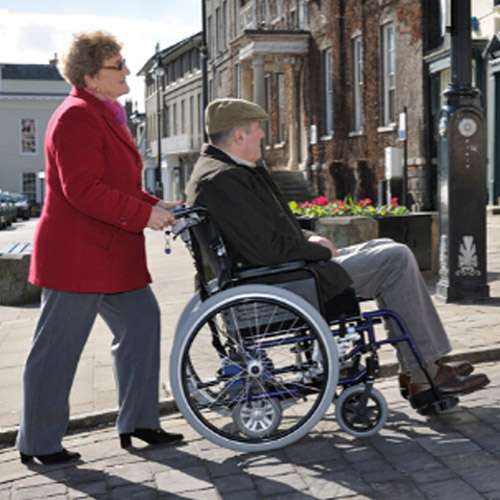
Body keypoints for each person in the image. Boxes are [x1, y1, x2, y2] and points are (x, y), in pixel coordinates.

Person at [185, 97, 489, 412]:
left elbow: (269, 232)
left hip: (287, 271)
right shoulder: (224, 180)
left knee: (384, 249)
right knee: (395, 259)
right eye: (257, 129)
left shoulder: (226, 172)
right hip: (288, 280)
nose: (262, 135)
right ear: (239, 136)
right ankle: (425, 373)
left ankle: (422, 370)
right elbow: (264, 249)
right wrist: (315, 249)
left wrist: (311, 236)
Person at [17, 31, 183, 465]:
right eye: (118, 65)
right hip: (77, 257)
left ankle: (139, 421)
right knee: (57, 349)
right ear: (91, 76)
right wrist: (144, 216)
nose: (127, 70)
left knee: (142, 324)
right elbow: (83, 190)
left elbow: (117, 185)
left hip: (112, 255)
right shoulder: (75, 117)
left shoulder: (103, 113)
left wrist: (155, 203)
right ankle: (37, 442)